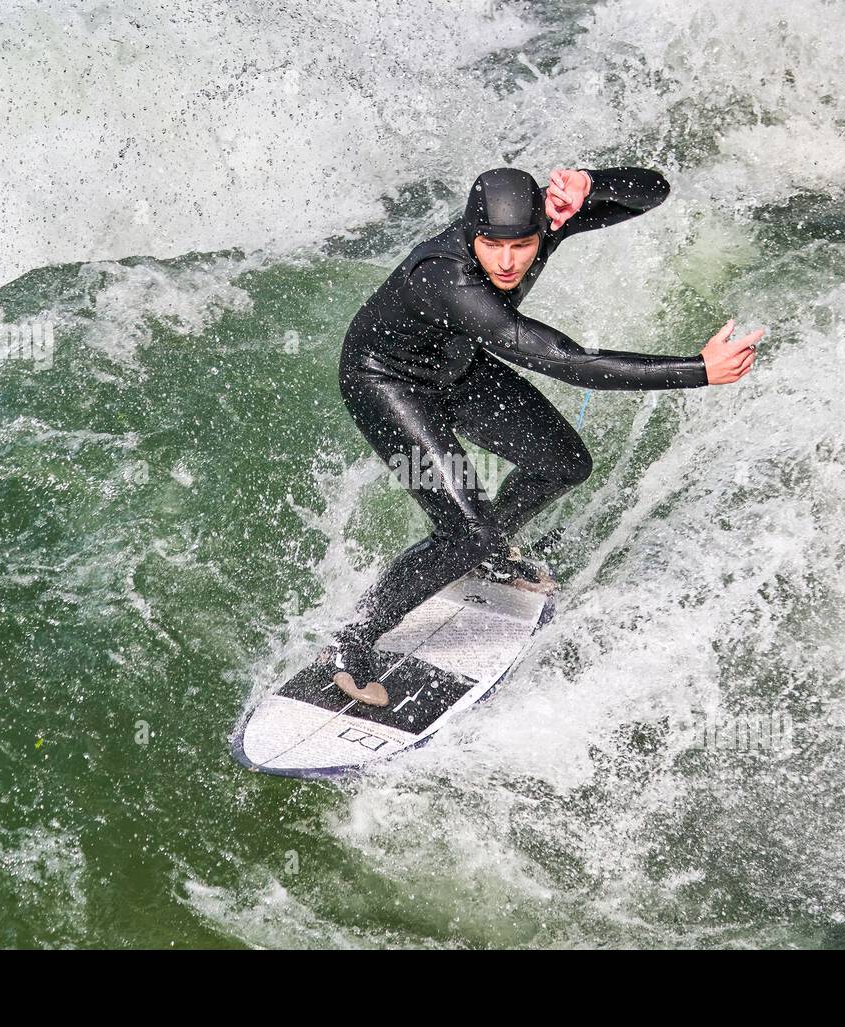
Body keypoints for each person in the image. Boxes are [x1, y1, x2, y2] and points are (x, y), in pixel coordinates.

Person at [326, 165, 762, 706]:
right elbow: (565, 361)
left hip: (455, 363)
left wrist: (590, 184)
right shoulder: (447, 278)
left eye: (523, 244)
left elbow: (654, 193)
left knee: (563, 463)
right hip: (387, 382)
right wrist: (697, 370)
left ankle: (490, 557)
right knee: (465, 530)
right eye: (491, 245)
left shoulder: (540, 226)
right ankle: (351, 640)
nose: (508, 262)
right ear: (471, 232)